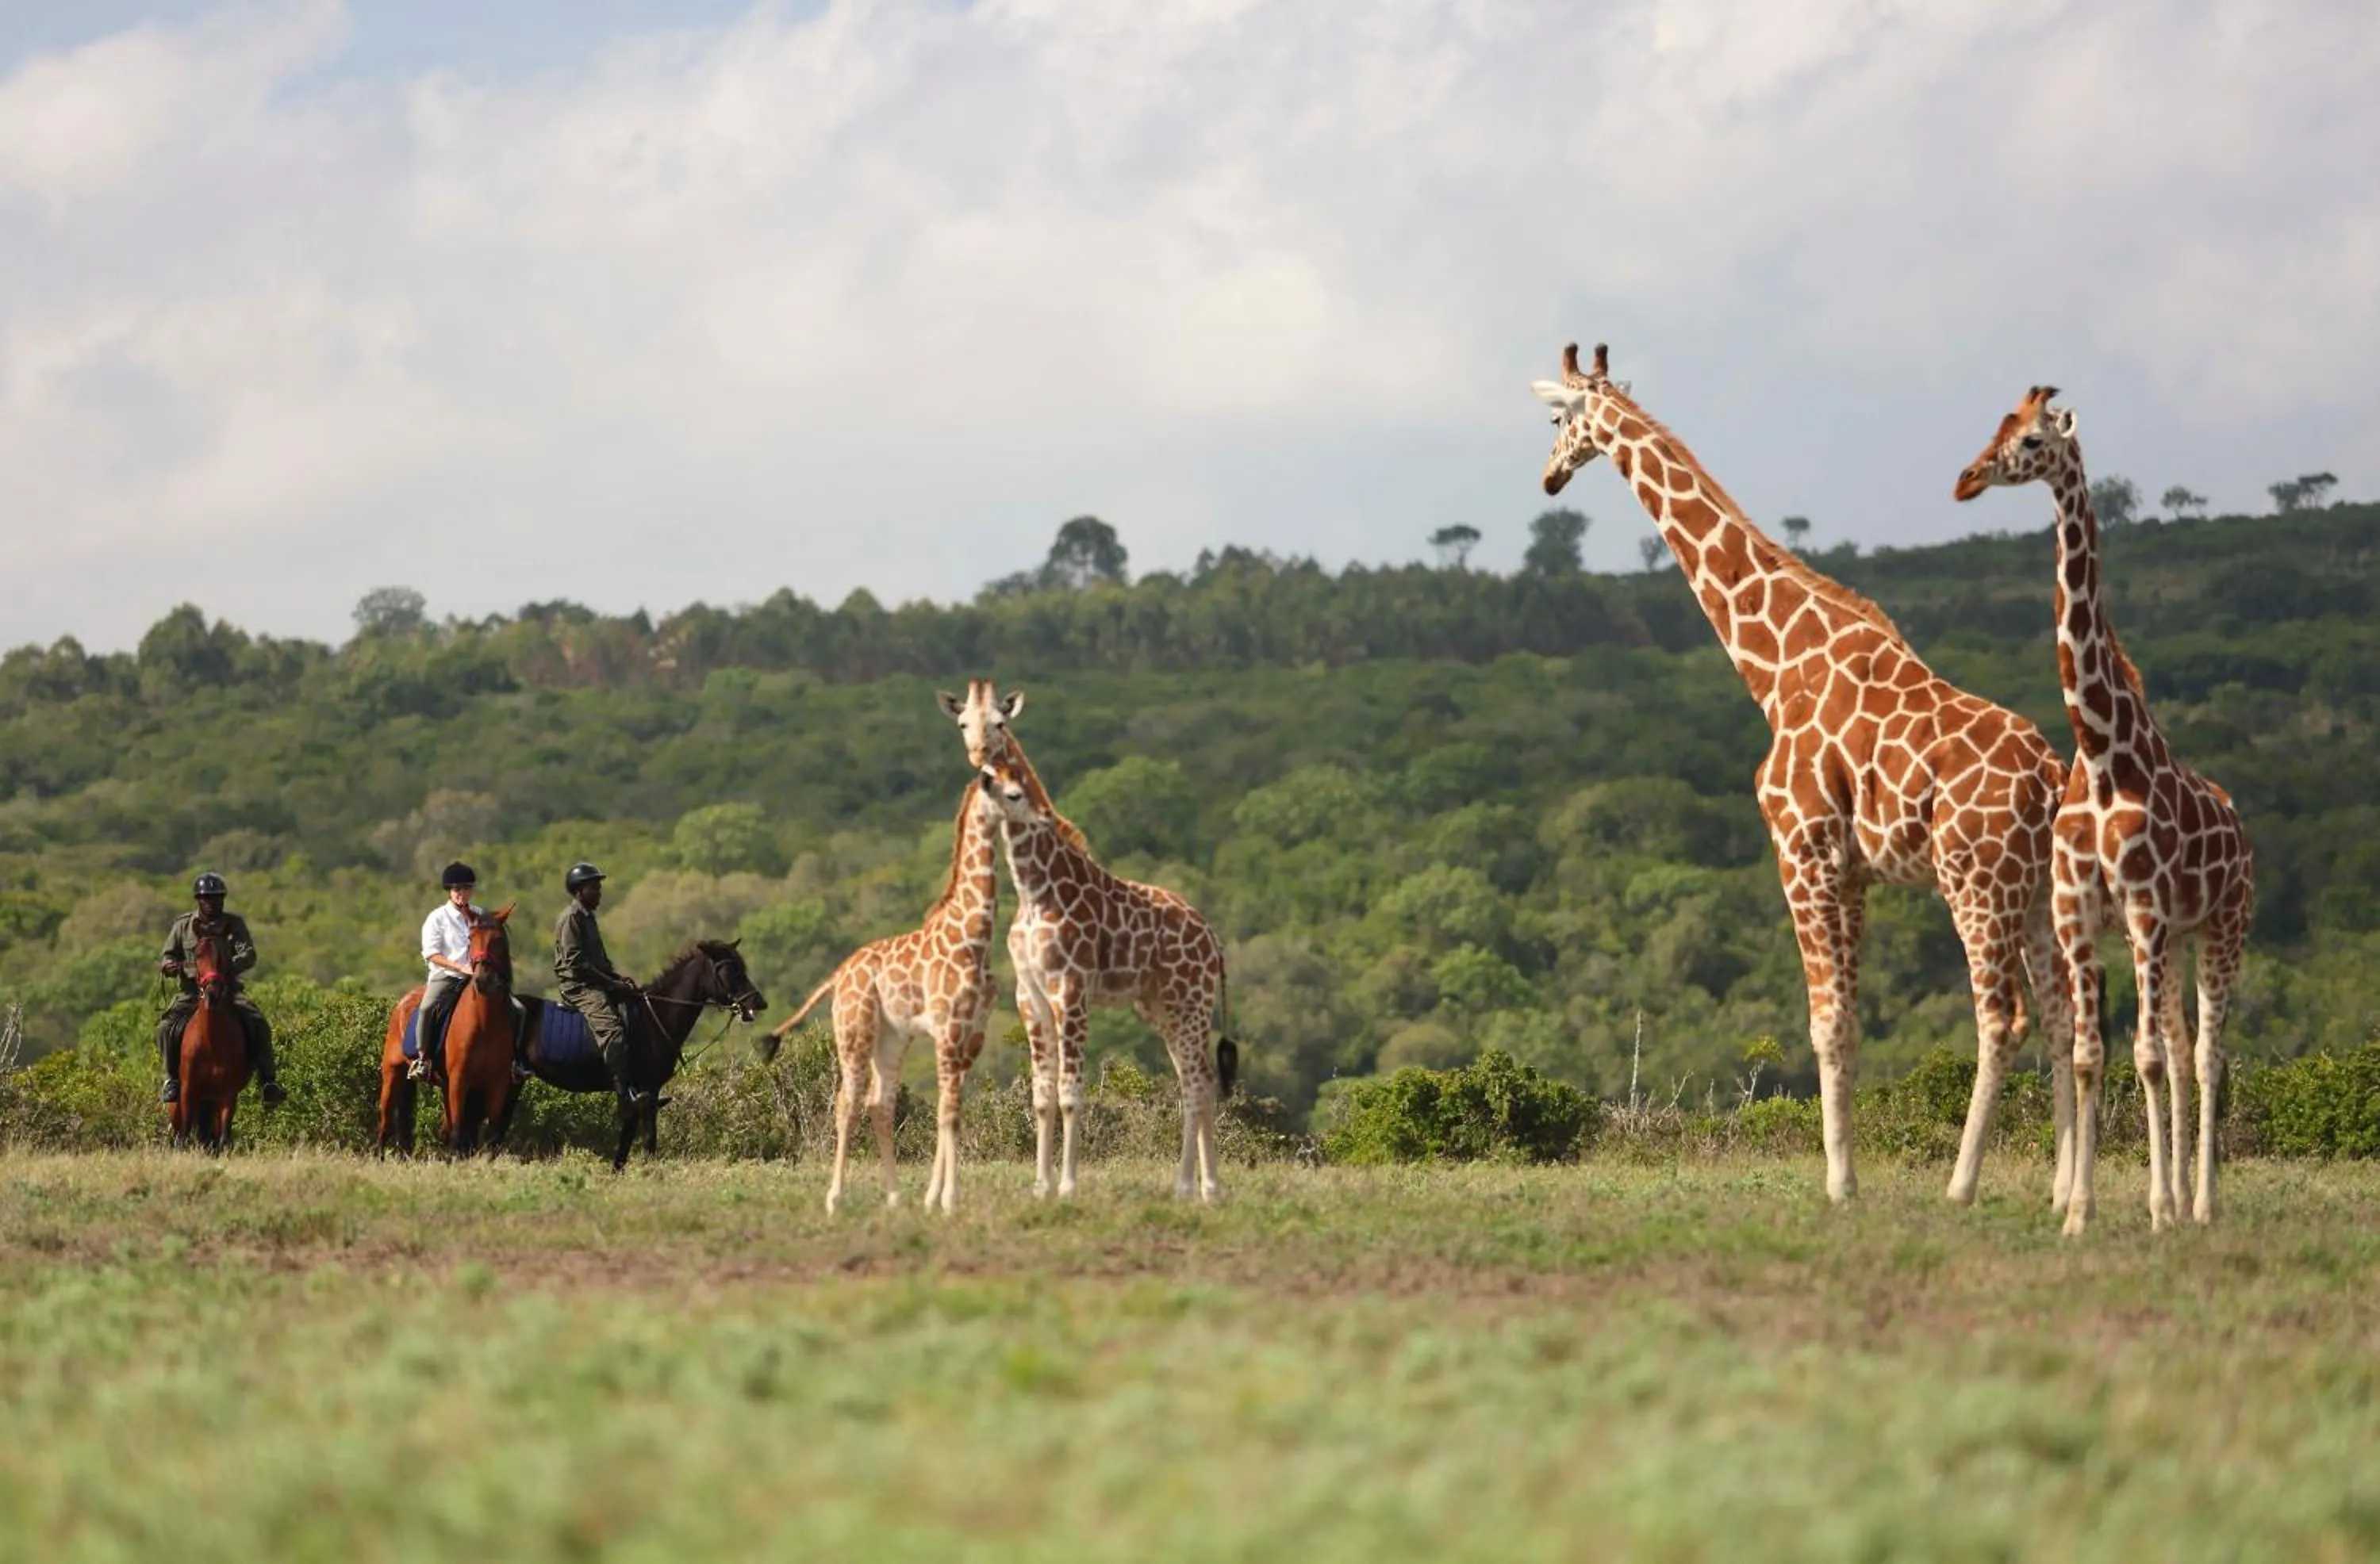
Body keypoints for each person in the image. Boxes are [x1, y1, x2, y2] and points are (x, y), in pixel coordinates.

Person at [156, 872, 284, 1107]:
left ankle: (268, 1082)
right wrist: (169, 966)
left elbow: (249, 954)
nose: (211, 902)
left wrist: (224, 967)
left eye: (216, 897)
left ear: (222, 899)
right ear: (198, 899)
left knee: (258, 1023)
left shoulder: (234, 924)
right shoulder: (182, 925)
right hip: (191, 994)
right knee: (165, 1028)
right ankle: (171, 1080)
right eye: (206, 898)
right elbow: (167, 955)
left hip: (227, 992)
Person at [551, 862, 651, 1113]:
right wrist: (611, 984)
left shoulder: (588, 917)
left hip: (596, 980)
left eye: (599, 887)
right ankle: (625, 1094)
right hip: (579, 987)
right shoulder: (571, 918)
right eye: (594, 888)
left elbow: (598, 960)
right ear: (579, 891)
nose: (599, 892)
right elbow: (576, 963)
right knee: (613, 1031)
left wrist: (618, 978)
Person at [409, 861, 482, 1083]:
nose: (462, 894)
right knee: (427, 1007)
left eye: (466, 889)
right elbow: (431, 954)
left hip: (478, 977)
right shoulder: (437, 918)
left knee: (516, 1008)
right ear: (450, 892)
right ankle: (422, 1059)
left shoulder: (480, 914)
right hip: (447, 976)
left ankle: (515, 1061)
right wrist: (460, 967)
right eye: (457, 889)